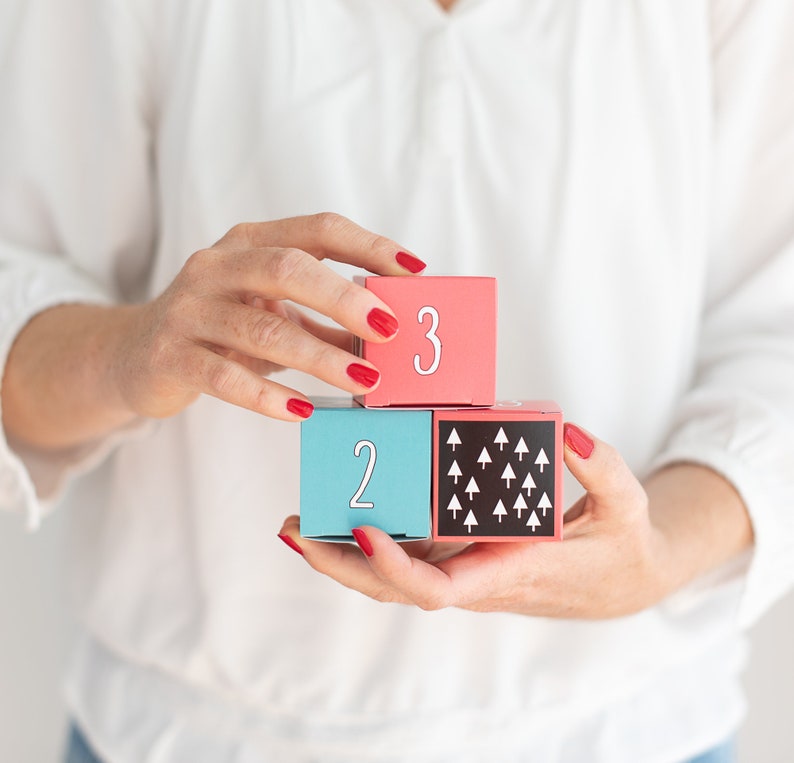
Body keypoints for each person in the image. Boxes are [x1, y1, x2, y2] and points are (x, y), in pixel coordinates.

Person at [1, 1, 793, 761]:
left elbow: (776, 340)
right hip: (193, 732)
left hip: (630, 730)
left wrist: (657, 554)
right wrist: (131, 350)